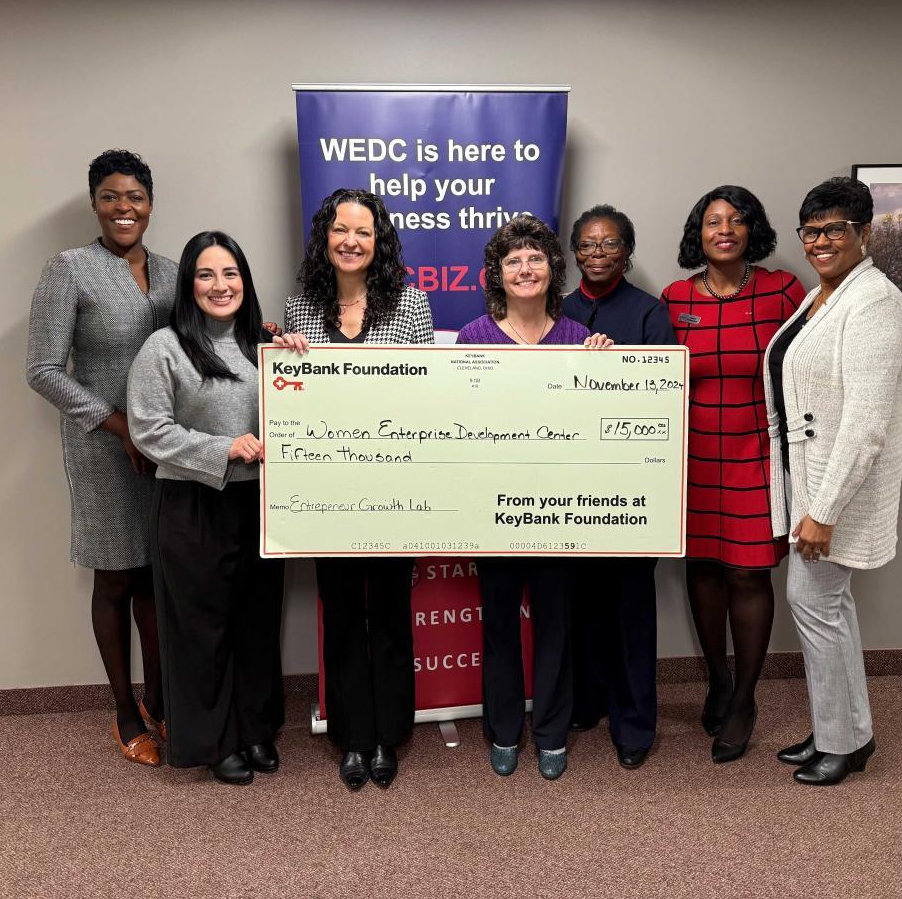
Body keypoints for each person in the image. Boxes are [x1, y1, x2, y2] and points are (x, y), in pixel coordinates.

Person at [273, 188, 434, 791]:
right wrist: (285, 359)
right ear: (325, 237)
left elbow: (423, 396)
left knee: (390, 611)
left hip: (394, 485)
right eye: (341, 230)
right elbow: (294, 394)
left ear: (379, 242)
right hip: (327, 493)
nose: (351, 241)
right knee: (340, 613)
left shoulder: (410, 305)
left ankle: (387, 733)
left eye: (363, 232)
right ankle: (352, 736)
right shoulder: (302, 309)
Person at [26, 150, 177, 767]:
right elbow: (41, 370)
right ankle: (123, 709)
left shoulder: (172, 272)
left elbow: (203, 339)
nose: (124, 209)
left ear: (150, 203)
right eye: (111, 197)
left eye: (135, 197)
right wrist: (120, 428)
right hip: (104, 449)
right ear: (95, 203)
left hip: (168, 445)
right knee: (116, 574)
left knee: (155, 574)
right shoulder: (70, 269)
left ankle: (162, 698)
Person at [764, 176, 902, 785]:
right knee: (828, 607)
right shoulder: (825, 294)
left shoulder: (874, 303)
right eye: (811, 231)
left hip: (837, 487)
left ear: (864, 234)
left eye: (834, 230)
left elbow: (866, 425)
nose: (820, 241)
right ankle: (845, 732)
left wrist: (822, 511)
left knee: (816, 603)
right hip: (812, 476)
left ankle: (843, 743)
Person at [456, 214, 612, 781]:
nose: (526, 268)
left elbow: (602, 426)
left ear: (553, 270)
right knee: (498, 624)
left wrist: (605, 376)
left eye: (536, 258)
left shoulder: (581, 340)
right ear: (497, 275)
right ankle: (502, 730)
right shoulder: (474, 337)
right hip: (492, 505)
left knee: (555, 624)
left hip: (558, 506)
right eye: (514, 260)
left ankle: (550, 731)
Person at [125, 231, 283, 785]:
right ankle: (214, 743)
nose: (221, 286)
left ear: (246, 280)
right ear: (188, 285)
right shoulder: (165, 347)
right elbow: (148, 430)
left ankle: (254, 729)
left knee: (255, 624)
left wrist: (302, 367)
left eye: (231, 273)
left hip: (260, 503)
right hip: (194, 504)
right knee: (203, 629)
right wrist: (223, 447)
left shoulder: (264, 345)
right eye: (206, 275)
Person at [662, 186, 806, 763]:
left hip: (756, 451)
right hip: (691, 454)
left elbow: (810, 365)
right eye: (713, 221)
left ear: (752, 231)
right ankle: (717, 682)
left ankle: (744, 699)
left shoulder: (782, 290)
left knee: (748, 576)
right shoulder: (673, 298)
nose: (724, 229)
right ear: (698, 233)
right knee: (702, 570)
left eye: (736, 220)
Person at [560, 204, 674, 770]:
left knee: (630, 610)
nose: (598, 253)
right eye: (587, 244)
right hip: (568, 487)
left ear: (627, 252)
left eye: (609, 244)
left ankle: (634, 723)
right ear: (574, 252)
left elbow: (659, 400)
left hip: (632, 488)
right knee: (582, 606)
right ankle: (586, 702)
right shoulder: (558, 315)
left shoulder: (651, 314)